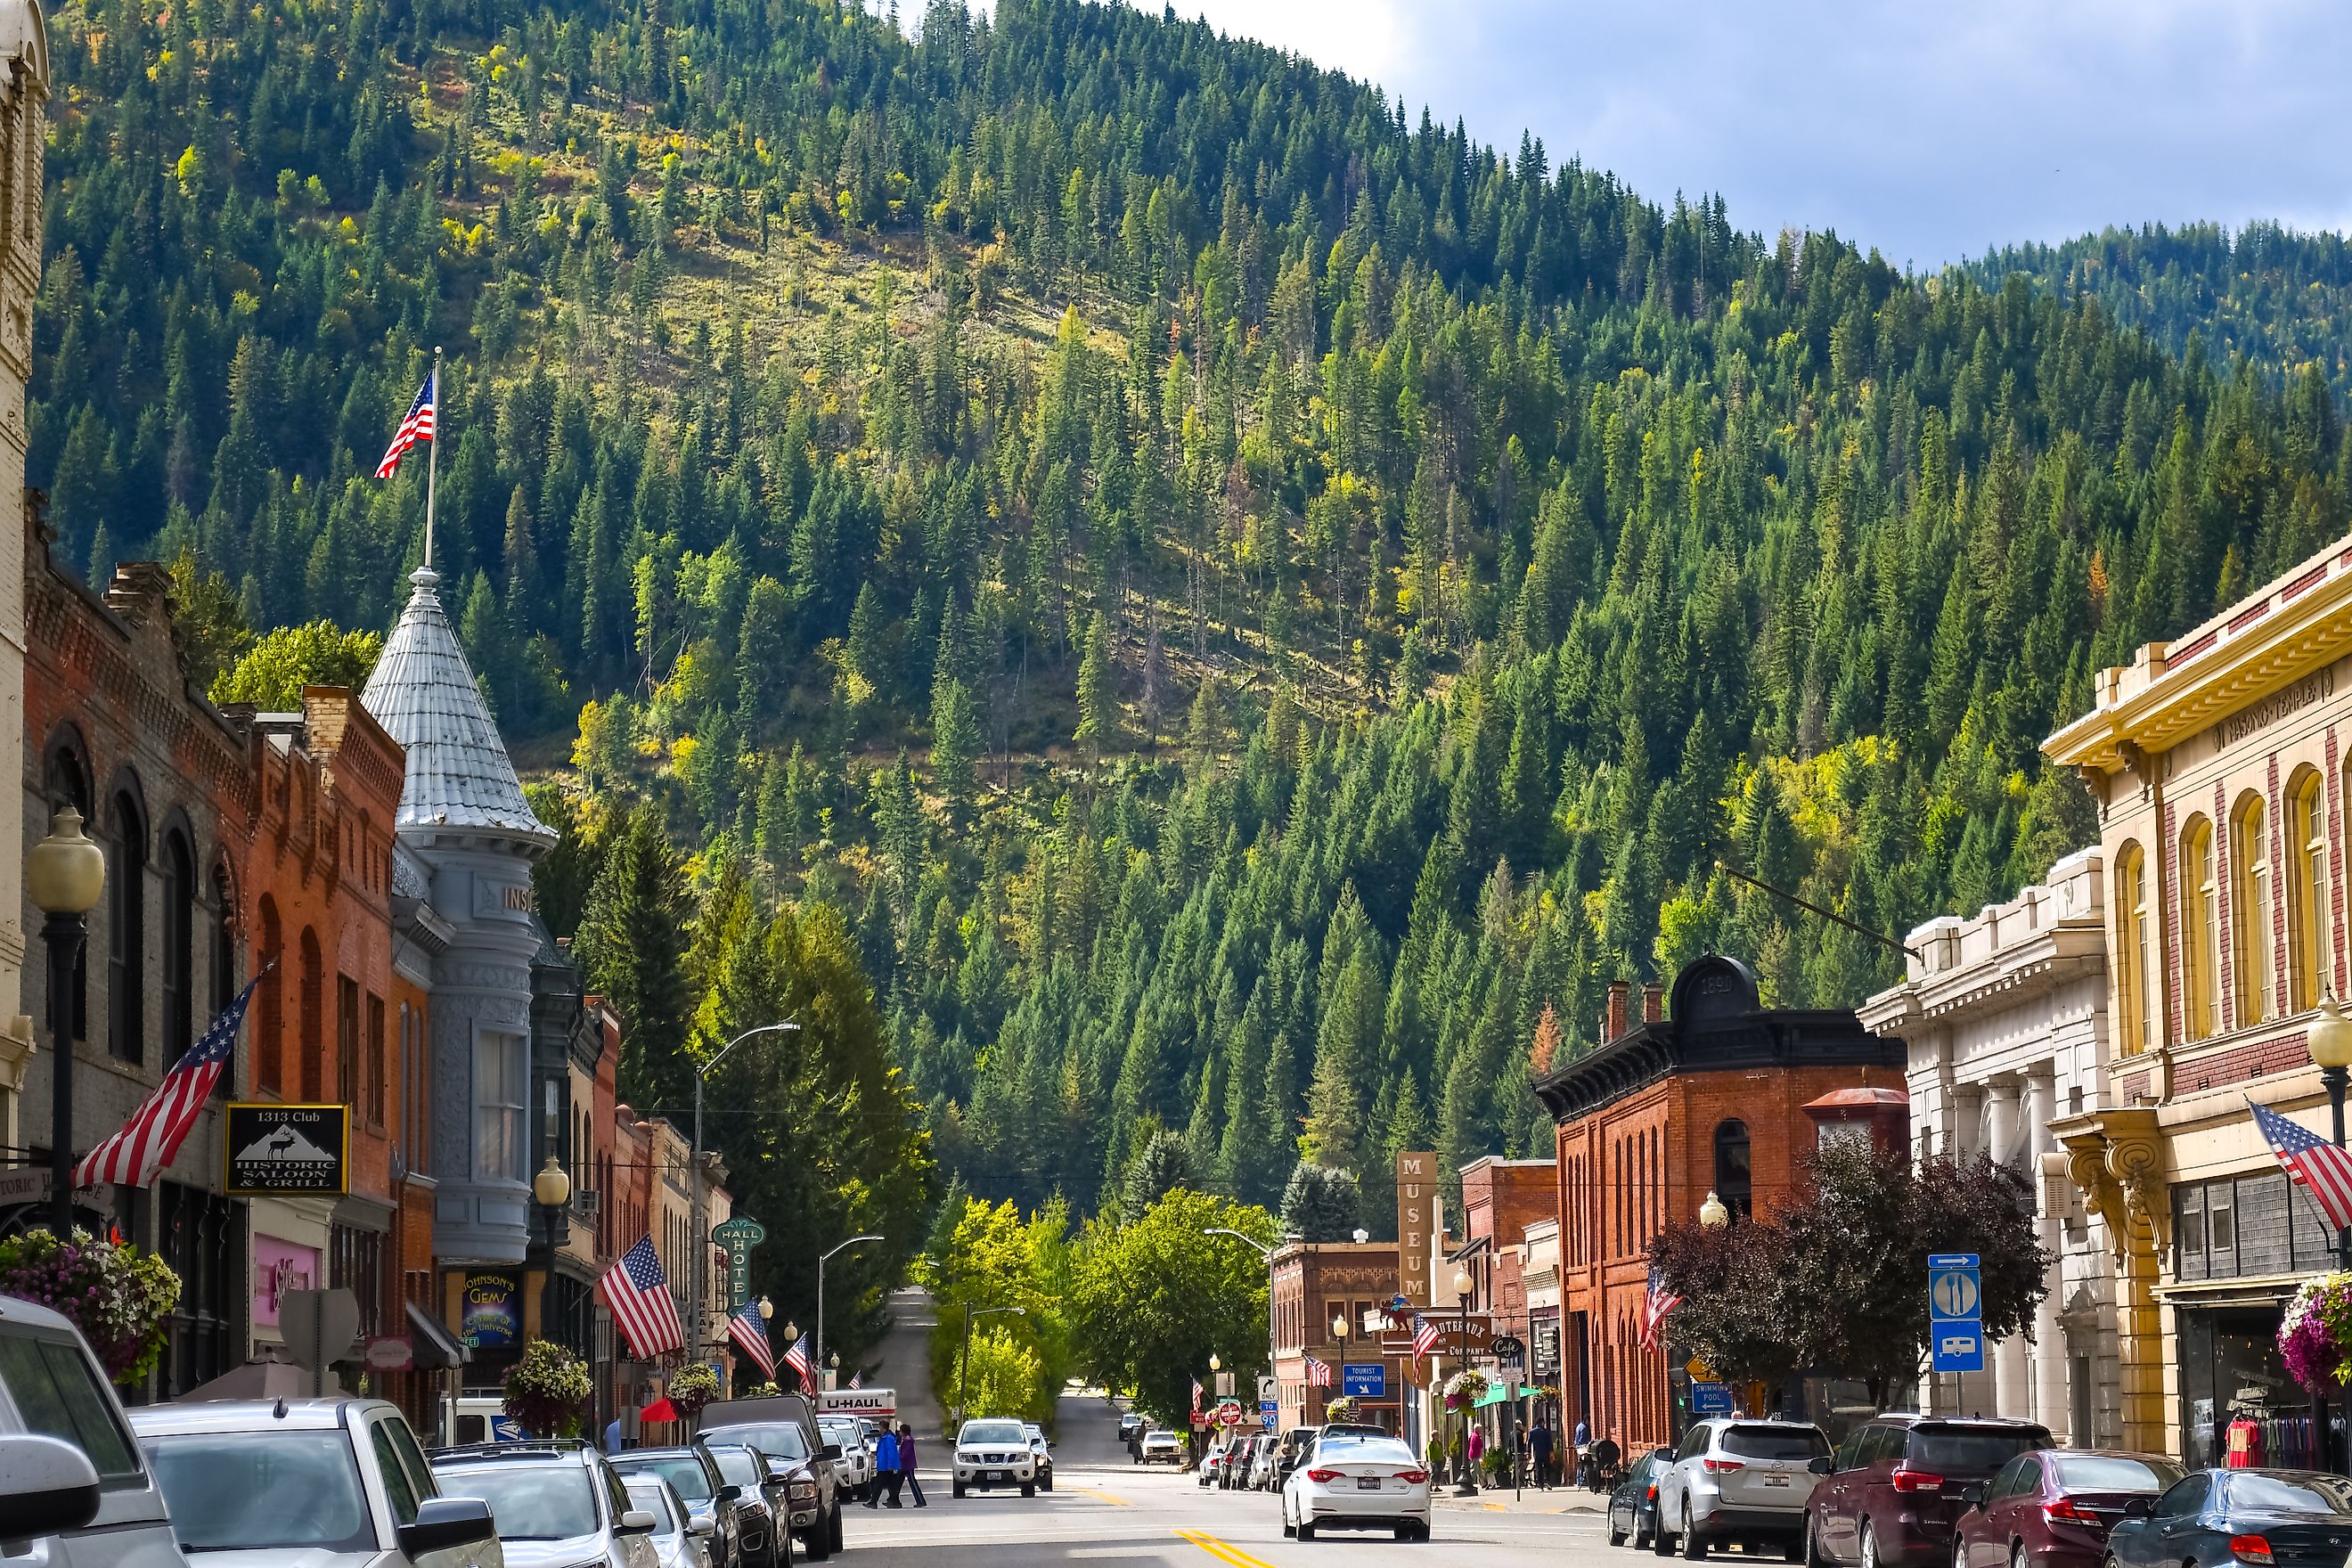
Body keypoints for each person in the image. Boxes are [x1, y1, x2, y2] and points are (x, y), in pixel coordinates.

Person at [870, 1426, 902, 1507]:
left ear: (884, 1428)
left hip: (886, 1466)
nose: (879, 1430)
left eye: (880, 1428)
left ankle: (873, 1503)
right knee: (891, 1485)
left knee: (878, 1485)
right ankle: (895, 1502)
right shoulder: (885, 1438)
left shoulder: (888, 1439)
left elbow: (890, 1452)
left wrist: (890, 1465)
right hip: (884, 1466)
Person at [897, 1423, 927, 1507]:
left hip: (908, 1465)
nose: (899, 1433)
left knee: (913, 1483)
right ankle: (893, 1499)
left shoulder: (908, 1441)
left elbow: (905, 1453)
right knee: (897, 1483)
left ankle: (921, 1501)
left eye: (900, 1431)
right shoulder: (905, 1440)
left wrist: (899, 1456)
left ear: (903, 1432)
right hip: (904, 1465)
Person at [1530, 1417, 1553, 1490]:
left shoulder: (1532, 1432)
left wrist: (1528, 1452)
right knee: (1547, 1467)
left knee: (1538, 1468)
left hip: (1537, 1453)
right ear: (1542, 1423)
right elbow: (1550, 1443)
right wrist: (1551, 1452)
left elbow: (1529, 1442)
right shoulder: (1546, 1432)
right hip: (1545, 1452)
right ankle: (1547, 1480)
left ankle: (1540, 1484)